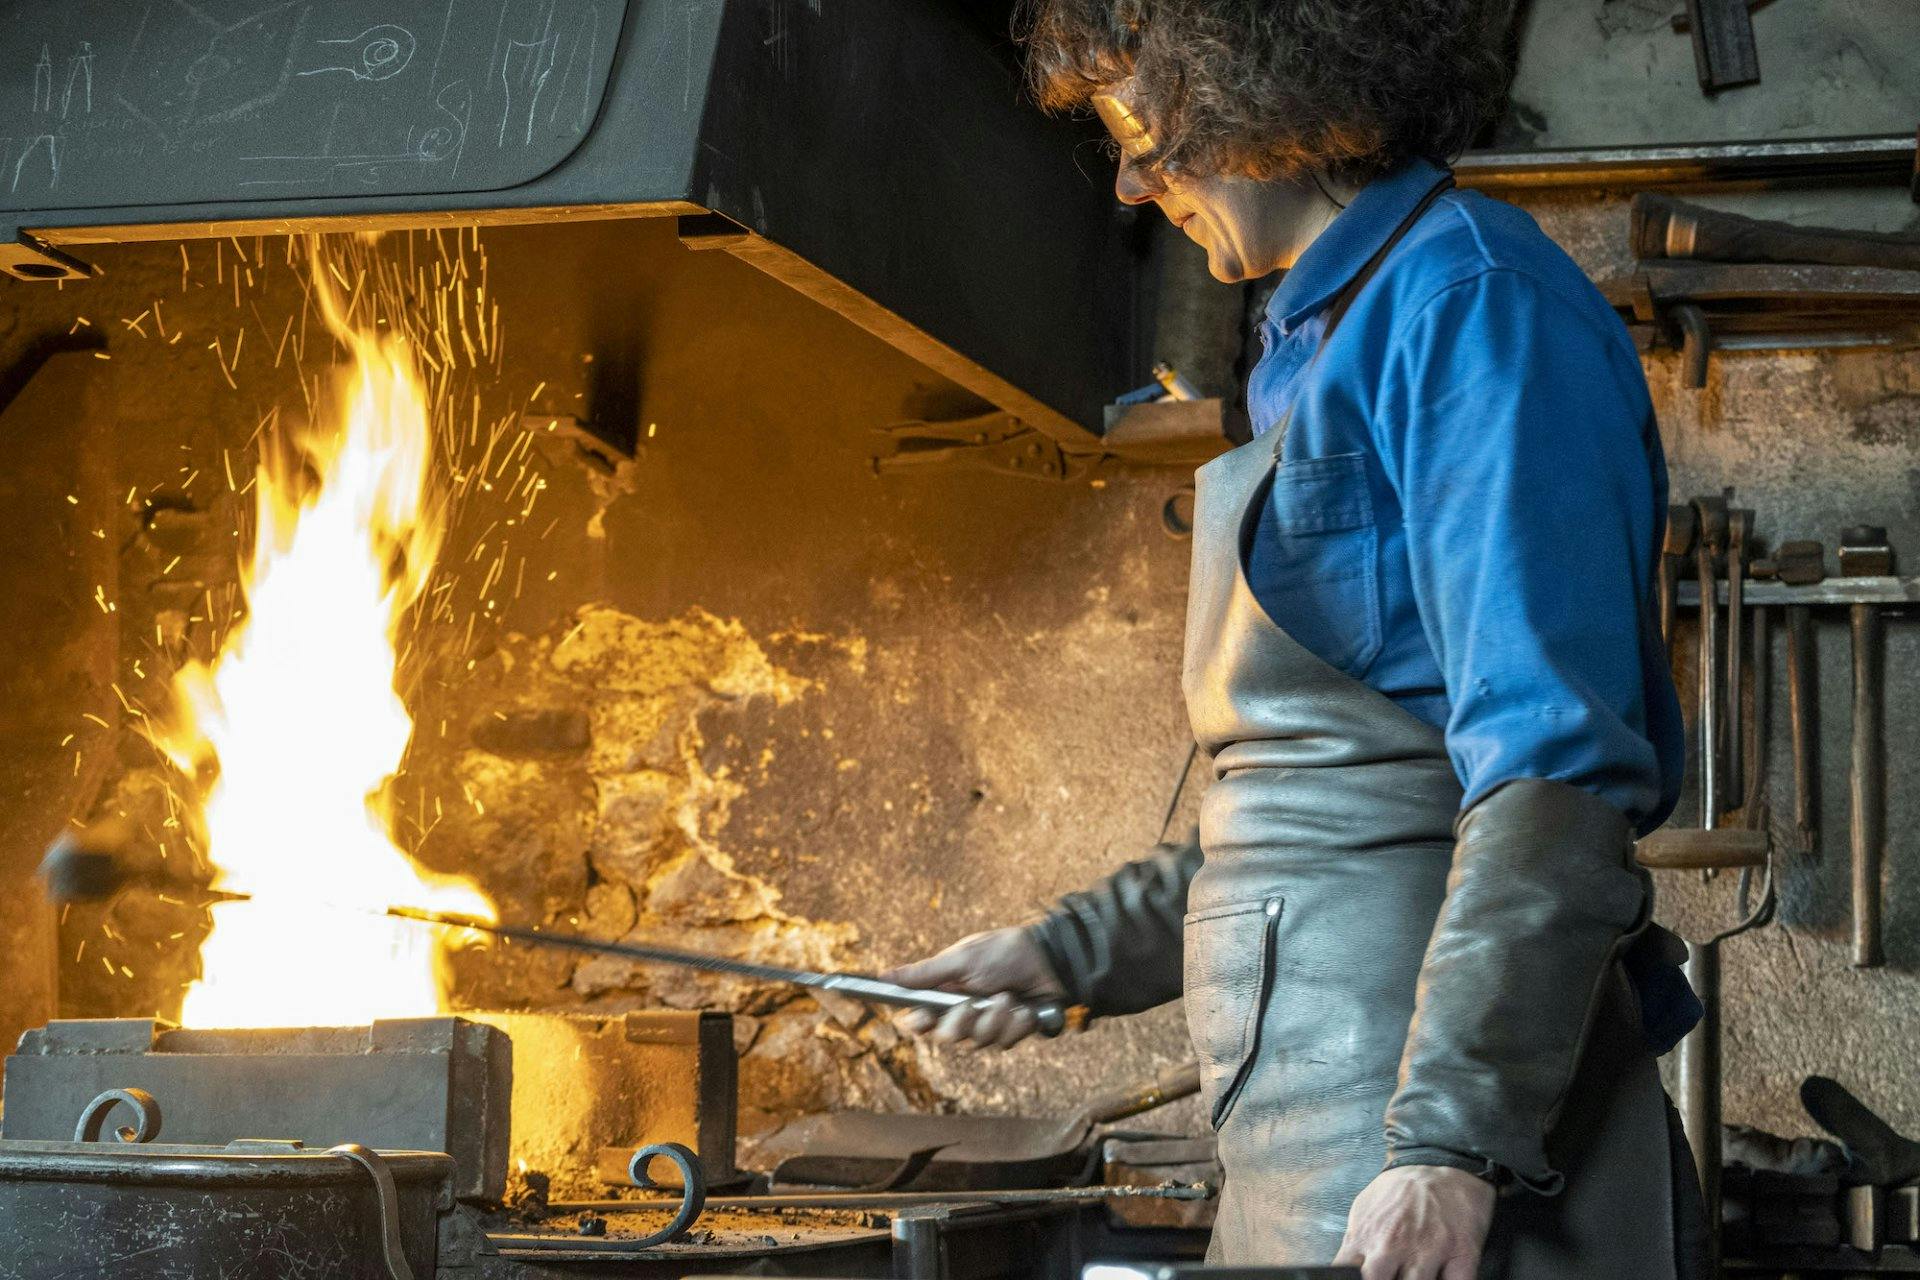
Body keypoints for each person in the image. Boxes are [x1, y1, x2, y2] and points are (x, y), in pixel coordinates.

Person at [884, 3, 1709, 1278]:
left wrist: (1452, 1140)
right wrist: (1059, 954)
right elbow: (1306, 808)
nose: (1132, 182)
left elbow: (1554, 766)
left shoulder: (1471, 303)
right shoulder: (1305, 348)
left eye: (1141, 133)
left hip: (1438, 1172)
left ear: (1262, 94)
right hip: (1308, 1153)